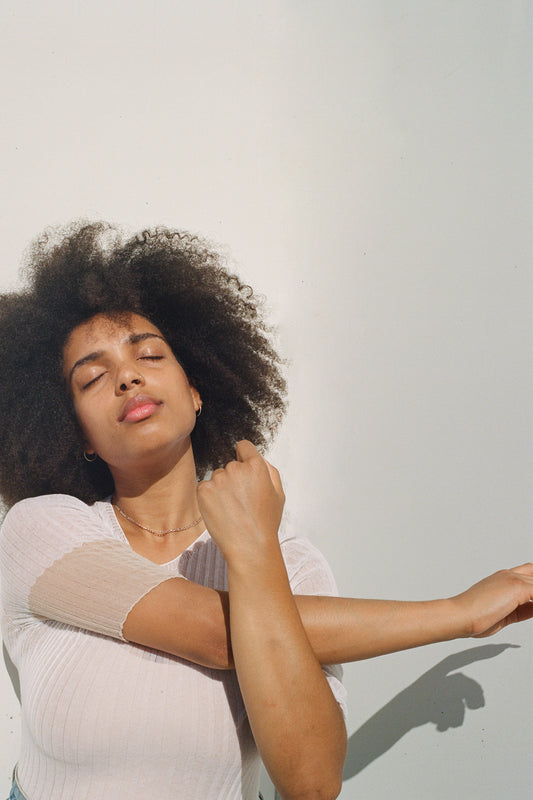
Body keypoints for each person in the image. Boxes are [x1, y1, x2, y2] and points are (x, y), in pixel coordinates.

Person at [0, 222, 531, 800]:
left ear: (198, 390)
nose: (129, 376)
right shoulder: (42, 529)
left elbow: (310, 783)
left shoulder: (292, 562)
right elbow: (217, 634)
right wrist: (459, 613)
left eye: (150, 354)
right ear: (76, 435)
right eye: (94, 378)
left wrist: (254, 549)